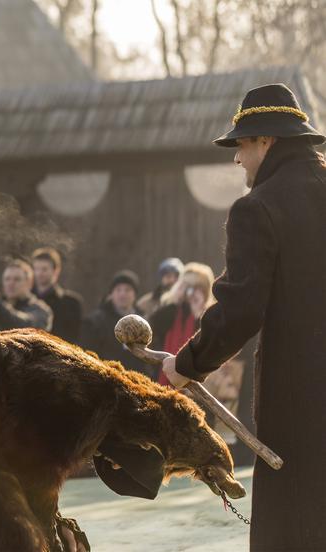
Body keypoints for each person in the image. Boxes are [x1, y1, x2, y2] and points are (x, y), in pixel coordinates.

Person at [161, 83, 326, 551]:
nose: (237, 159)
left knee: (296, 529)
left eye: (241, 145)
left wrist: (188, 363)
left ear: (266, 141)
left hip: (303, 407)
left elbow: (240, 310)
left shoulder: (259, 208)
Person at [148, 262, 215, 384]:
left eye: (197, 287)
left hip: (193, 381)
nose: (191, 292)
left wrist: (197, 316)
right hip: (161, 374)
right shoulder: (171, 309)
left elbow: (205, 342)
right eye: (188, 286)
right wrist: (174, 300)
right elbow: (153, 327)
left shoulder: (210, 315)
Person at [79, 270, 145, 374]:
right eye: (118, 290)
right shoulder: (95, 321)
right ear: (111, 294)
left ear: (134, 294)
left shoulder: (143, 323)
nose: (122, 294)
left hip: (138, 381)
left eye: (127, 290)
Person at [0, 259, 52, 333]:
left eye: (17, 279)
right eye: (7, 279)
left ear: (29, 283)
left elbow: (26, 327)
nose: (11, 283)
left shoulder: (41, 310)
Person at [31, 247, 84, 343]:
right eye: (36, 269)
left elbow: (75, 338)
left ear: (56, 271)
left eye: (44, 269)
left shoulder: (71, 303)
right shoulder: (26, 300)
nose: (39, 273)